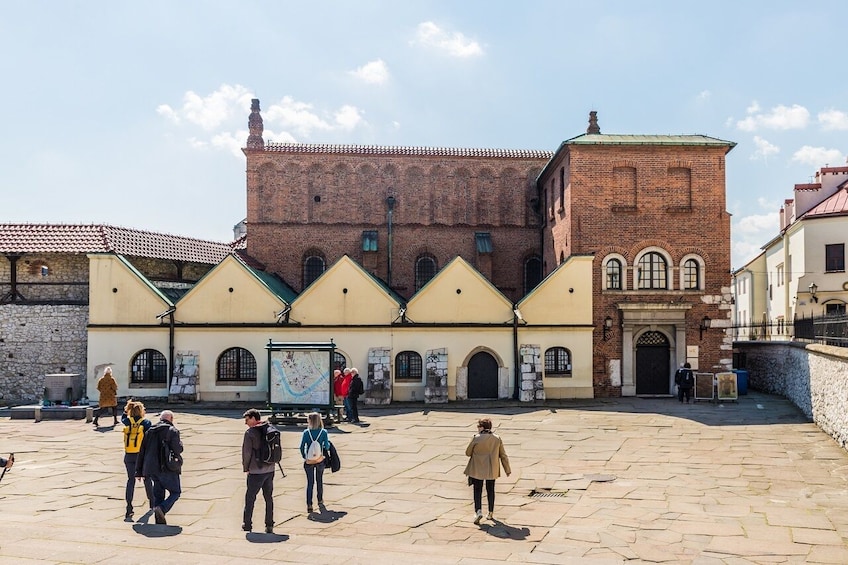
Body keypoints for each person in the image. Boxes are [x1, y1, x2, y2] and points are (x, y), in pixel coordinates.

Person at [136, 410, 183, 525]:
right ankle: (162, 508)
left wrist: (139, 471)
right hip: (167, 467)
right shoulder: (172, 431)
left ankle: (159, 520)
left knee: (158, 493)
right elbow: (178, 449)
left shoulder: (150, 431)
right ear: (171, 419)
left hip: (151, 469)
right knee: (175, 492)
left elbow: (142, 451)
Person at [464, 417, 511, 525]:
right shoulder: (497, 438)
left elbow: (468, 453)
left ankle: (478, 511)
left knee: (477, 490)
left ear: (482, 427)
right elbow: (503, 455)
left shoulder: (476, 438)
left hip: (478, 468)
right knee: (490, 490)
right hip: (492, 468)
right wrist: (507, 469)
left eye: (478, 426)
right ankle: (490, 512)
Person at [241, 408, 275, 533]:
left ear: (254, 418)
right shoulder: (269, 428)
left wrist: (246, 468)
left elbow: (247, 452)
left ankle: (247, 524)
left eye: (247, 419)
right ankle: (269, 524)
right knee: (268, 498)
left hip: (256, 471)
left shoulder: (250, 433)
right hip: (270, 469)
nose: (246, 423)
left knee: (250, 498)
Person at [121, 399, 153, 519]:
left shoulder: (127, 422)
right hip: (142, 455)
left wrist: (126, 409)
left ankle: (129, 507)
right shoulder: (145, 423)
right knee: (147, 479)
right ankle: (152, 503)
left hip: (129, 455)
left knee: (130, 480)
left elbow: (122, 418)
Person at [300, 412, 330, 513]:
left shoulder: (306, 432)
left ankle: (309, 504)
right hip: (319, 459)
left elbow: (301, 447)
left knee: (310, 483)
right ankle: (320, 500)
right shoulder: (323, 432)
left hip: (309, 460)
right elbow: (327, 446)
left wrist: (305, 457)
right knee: (319, 481)